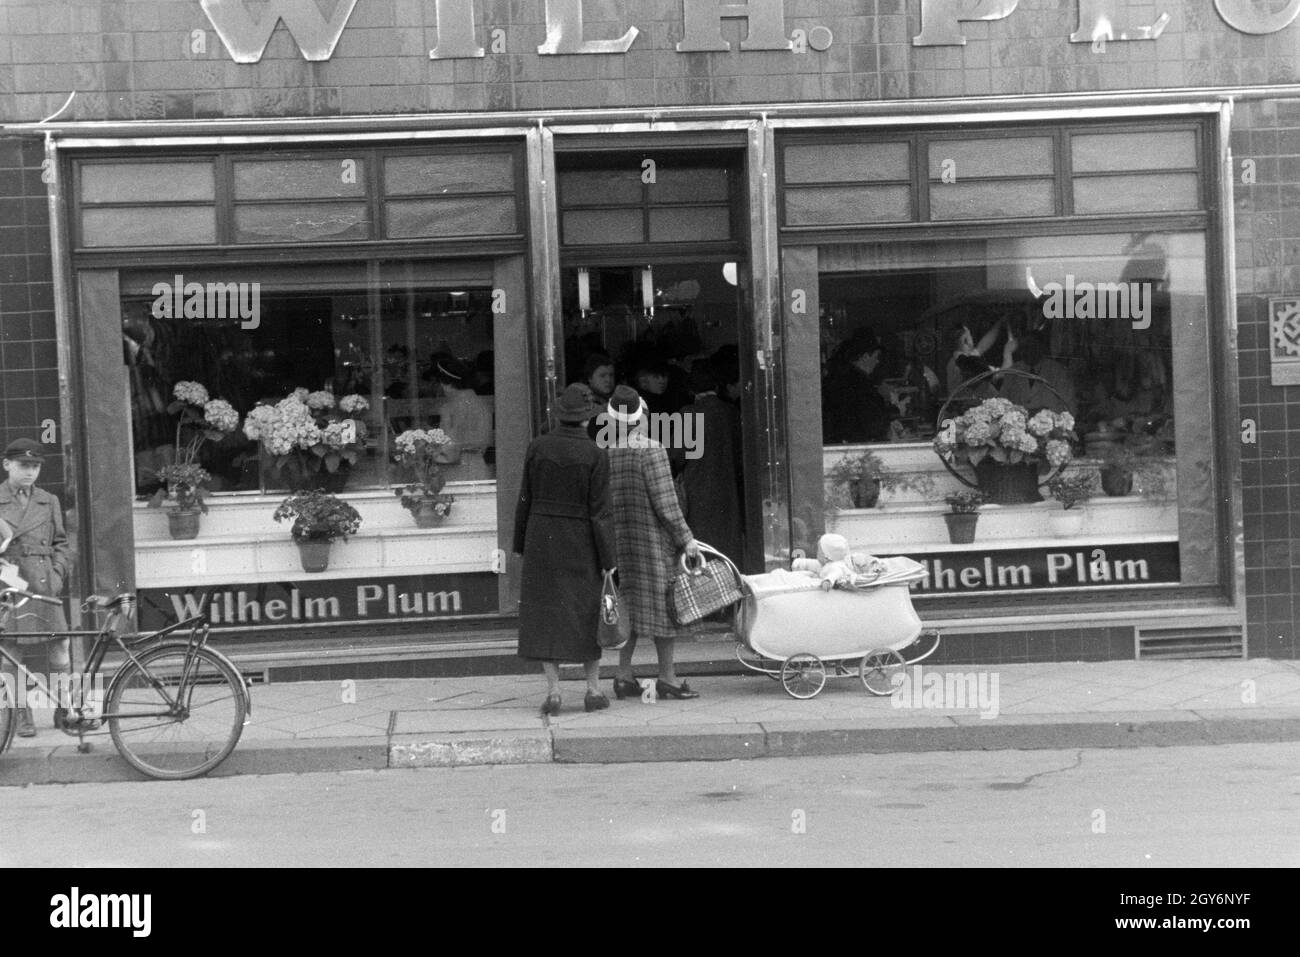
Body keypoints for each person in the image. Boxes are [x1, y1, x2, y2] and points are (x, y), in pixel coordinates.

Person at [512, 385, 617, 715]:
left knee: (546, 612)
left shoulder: (538, 447)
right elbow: (600, 512)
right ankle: (592, 690)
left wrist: (520, 543)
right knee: (586, 610)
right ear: (587, 419)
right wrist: (608, 560)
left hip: (541, 535)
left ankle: (554, 692)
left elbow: (524, 497)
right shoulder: (595, 454)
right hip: (581, 538)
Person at [605, 385, 703, 701]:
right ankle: (668, 677)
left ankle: (623, 676)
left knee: (630, 607)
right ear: (642, 416)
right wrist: (686, 539)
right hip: (652, 542)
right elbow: (666, 503)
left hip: (622, 543)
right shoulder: (651, 449)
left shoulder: (608, 451)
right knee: (665, 609)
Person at [0, 438, 73, 738]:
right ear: (7, 465)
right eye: (23, 465)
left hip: (45, 584)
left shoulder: (48, 499)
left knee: (60, 648)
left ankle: (63, 707)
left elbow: (62, 544)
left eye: (35, 466)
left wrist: (57, 575)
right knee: (10, 652)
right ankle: (20, 714)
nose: (30, 472)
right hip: (10, 583)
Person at [675, 363, 745, 563]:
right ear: (716, 387)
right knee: (728, 553)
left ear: (691, 390)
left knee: (703, 554)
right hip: (728, 493)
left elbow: (675, 457)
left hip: (698, 495)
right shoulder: (732, 412)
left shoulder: (687, 414)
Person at [821, 328, 898, 444]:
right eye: (876, 356)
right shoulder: (859, 383)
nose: (877, 361)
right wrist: (895, 410)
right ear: (865, 356)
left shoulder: (841, 376)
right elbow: (873, 423)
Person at [944, 320, 1017, 410]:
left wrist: (1000, 323)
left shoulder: (958, 359)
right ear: (965, 340)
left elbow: (982, 346)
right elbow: (1003, 374)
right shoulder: (964, 363)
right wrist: (1008, 352)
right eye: (970, 335)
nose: (972, 338)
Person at [1001, 331, 1075, 415]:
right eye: (1024, 347)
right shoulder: (1013, 372)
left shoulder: (1059, 372)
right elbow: (1001, 404)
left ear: (1042, 347)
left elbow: (1069, 408)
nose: (1027, 351)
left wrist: (1043, 413)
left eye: (1032, 346)